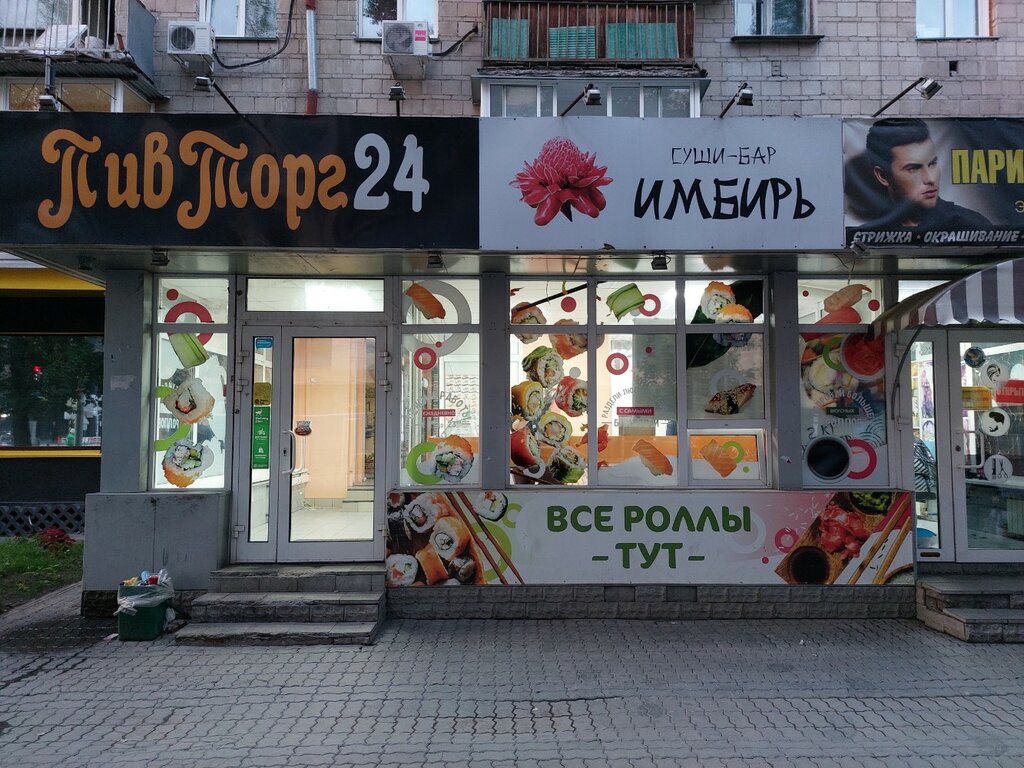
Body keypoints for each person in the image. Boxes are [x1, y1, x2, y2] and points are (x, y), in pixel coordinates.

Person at [859, 118, 991, 230]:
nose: (930, 179)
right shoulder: (869, 234)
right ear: (882, 176)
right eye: (913, 169)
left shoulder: (971, 225)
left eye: (932, 164)